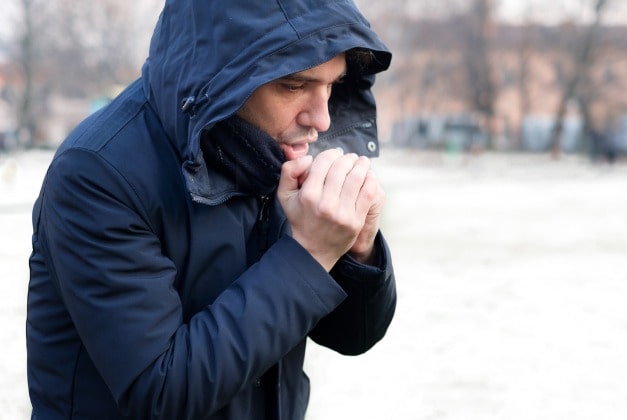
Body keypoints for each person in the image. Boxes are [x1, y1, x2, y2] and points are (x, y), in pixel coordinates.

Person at [26, 0, 397, 418]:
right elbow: (160, 394)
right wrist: (311, 253)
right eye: (294, 85)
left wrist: (358, 251)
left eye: (332, 85)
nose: (322, 119)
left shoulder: (273, 149)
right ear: (223, 74)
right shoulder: (98, 173)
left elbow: (355, 336)